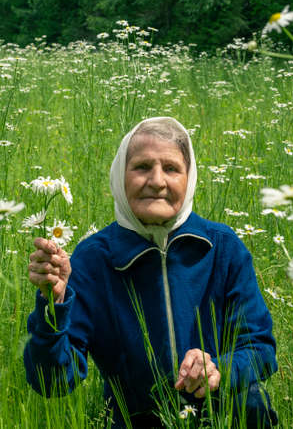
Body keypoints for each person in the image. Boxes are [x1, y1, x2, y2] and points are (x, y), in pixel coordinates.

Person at [24, 117, 278, 428]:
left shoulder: (223, 248)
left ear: (189, 177)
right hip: (135, 421)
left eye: (171, 168)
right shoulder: (93, 259)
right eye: (142, 167)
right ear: (120, 175)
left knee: (251, 400)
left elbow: (261, 348)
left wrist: (220, 370)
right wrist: (54, 302)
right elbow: (53, 382)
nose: (157, 181)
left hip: (222, 414)